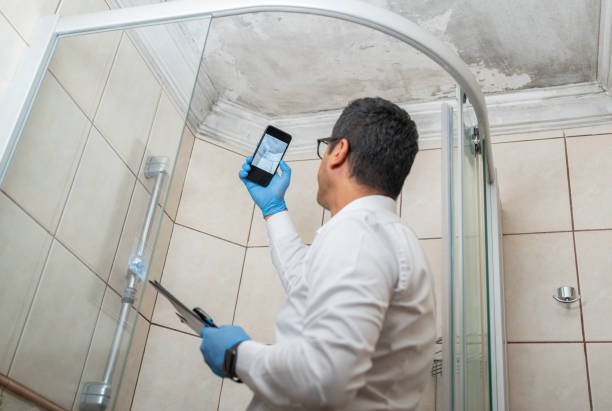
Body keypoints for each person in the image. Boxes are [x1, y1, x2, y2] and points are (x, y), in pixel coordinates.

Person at [200, 97, 436, 411]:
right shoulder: (383, 235)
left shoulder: (360, 234)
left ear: (338, 152)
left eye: (325, 148)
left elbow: (326, 377)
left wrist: (237, 355)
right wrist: (274, 209)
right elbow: (305, 284)